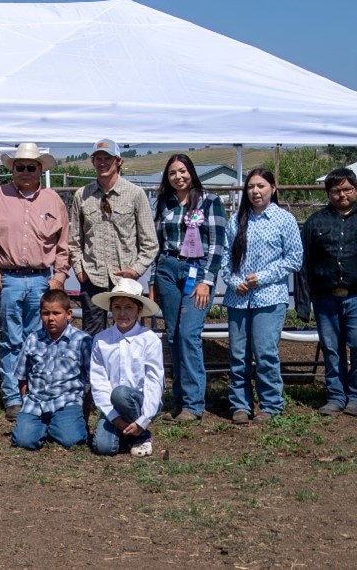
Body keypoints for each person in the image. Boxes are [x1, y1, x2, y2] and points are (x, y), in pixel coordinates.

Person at [0, 142, 69, 421]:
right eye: (20, 167)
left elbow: (63, 244)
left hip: (42, 279)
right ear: (12, 169)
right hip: (8, 279)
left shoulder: (54, 201)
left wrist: (59, 277)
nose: (25, 171)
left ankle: (34, 392)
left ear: (40, 169)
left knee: (39, 339)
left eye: (31, 167)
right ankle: (12, 396)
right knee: (10, 340)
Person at [304, 168, 357, 417]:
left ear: (356, 190)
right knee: (332, 349)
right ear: (328, 193)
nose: (341, 194)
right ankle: (335, 396)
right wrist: (305, 300)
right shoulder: (315, 222)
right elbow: (304, 263)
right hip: (325, 297)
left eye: (346, 189)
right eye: (335, 190)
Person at [223, 168, 303, 424]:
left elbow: (294, 259)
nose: (255, 191)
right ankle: (240, 405)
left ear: (273, 188)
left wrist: (263, 277)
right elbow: (225, 259)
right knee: (238, 353)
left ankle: (270, 404)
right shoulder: (235, 221)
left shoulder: (284, 220)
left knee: (265, 351)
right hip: (238, 298)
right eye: (251, 187)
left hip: (269, 297)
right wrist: (234, 281)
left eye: (261, 186)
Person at [151, 154, 227, 423]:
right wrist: (153, 279)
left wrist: (207, 280)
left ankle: (194, 404)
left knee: (188, 334)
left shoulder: (210, 201)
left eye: (182, 171)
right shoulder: (163, 202)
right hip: (168, 269)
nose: (178, 177)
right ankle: (181, 401)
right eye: (172, 173)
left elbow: (218, 245)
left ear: (191, 173)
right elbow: (156, 243)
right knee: (173, 336)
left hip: (197, 272)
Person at [69, 139, 157, 335]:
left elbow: (150, 243)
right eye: (98, 158)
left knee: (127, 331)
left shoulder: (136, 194)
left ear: (118, 161)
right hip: (92, 276)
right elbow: (74, 240)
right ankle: (94, 366)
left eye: (107, 158)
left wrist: (135, 271)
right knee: (91, 334)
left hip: (125, 277)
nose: (102, 163)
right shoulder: (81, 195)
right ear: (92, 162)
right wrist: (79, 269)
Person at [88, 279, 164, 457]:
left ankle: (141, 434)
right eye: (117, 307)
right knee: (103, 448)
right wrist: (114, 418)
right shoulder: (101, 340)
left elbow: (154, 381)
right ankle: (128, 434)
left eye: (128, 307)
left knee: (120, 393)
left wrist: (143, 420)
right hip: (111, 405)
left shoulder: (149, 339)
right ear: (111, 309)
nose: (122, 313)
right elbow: (99, 382)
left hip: (140, 402)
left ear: (139, 310)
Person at [10, 289, 93, 451]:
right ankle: (41, 426)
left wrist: (84, 412)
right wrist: (26, 401)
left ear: (69, 314)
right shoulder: (33, 339)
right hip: (36, 403)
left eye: (56, 313)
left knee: (72, 440)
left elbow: (93, 379)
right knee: (24, 441)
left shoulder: (82, 340)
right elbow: (22, 376)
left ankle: (62, 424)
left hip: (66, 402)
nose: (51, 318)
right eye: (46, 313)